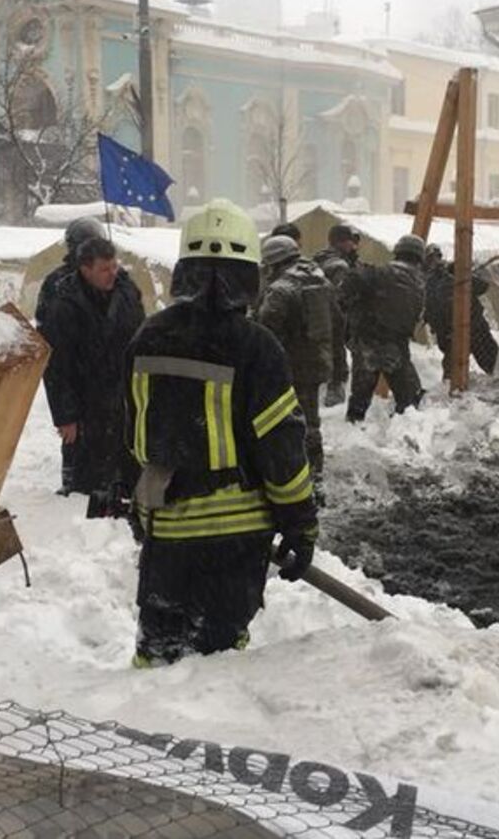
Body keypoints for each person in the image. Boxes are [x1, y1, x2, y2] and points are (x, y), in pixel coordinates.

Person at [125, 200, 318, 666]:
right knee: (218, 667)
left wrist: (138, 504)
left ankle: (138, 734)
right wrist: (300, 525)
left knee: (159, 651)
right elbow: (282, 450)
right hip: (235, 540)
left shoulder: (147, 338)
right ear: (249, 274)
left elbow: (131, 431)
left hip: (166, 531)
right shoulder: (256, 347)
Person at [39, 235, 144, 497]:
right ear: (85, 269)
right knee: (86, 486)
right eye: (104, 269)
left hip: (125, 398)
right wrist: (66, 417)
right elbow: (57, 367)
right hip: (86, 402)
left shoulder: (128, 293)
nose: (112, 274)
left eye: (114, 267)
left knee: (127, 472)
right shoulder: (64, 306)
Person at [35, 215, 106, 493]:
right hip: (72, 375)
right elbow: (50, 346)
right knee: (74, 437)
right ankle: (74, 486)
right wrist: (63, 413)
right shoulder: (58, 284)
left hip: (106, 377)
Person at [254, 234, 334, 472]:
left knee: (283, 422)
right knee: (311, 421)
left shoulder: (280, 290)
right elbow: (338, 321)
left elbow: (265, 331)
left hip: (288, 365)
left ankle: (293, 471)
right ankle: (315, 468)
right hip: (316, 360)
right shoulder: (320, 280)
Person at [341, 233, 426, 422]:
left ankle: (354, 432)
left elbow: (348, 287)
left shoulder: (379, 272)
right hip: (396, 346)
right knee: (411, 400)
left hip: (367, 342)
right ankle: (406, 434)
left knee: (359, 401)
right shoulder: (419, 283)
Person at [422, 243, 499, 379]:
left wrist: (462, 271)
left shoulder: (450, 275)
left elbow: (482, 286)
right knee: (452, 378)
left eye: (437, 257)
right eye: (432, 258)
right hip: (452, 333)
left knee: (496, 368)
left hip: (473, 328)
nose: (436, 261)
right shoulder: (425, 282)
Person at [313, 223, 360, 406]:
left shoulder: (318, 259)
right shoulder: (339, 266)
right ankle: (335, 391)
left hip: (317, 316)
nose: (354, 246)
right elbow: (343, 294)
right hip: (335, 316)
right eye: (350, 241)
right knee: (337, 354)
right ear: (343, 242)